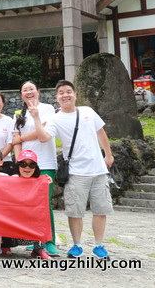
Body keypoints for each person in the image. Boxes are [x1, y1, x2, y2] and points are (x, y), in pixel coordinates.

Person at [36, 80, 115, 259]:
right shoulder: (56, 119)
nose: (65, 95)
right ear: (57, 98)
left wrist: (108, 155)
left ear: (75, 95)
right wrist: (36, 118)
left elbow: (101, 132)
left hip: (98, 170)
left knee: (100, 209)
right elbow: (43, 137)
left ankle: (99, 245)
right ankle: (77, 245)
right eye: (61, 93)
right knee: (75, 211)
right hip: (75, 172)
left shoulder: (87, 111)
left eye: (68, 91)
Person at [12, 80, 60, 256]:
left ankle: (49, 241)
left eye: (31, 89)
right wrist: (19, 163)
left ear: (38, 92)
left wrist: (21, 138)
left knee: (45, 203)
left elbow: (42, 134)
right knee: (29, 204)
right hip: (26, 165)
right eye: (25, 90)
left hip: (45, 162)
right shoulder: (18, 114)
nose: (29, 92)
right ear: (21, 95)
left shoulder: (47, 109)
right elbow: (15, 140)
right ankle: (34, 240)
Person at [0, 150, 52, 259]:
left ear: (36, 167)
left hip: (28, 226)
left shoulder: (39, 182)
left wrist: (45, 181)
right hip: (11, 225)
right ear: (18, 166)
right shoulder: (11, 179)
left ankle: (38, 249)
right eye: (23, 164)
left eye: (31, 165)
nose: (27, 168)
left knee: (42, 215)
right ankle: (3, 245)